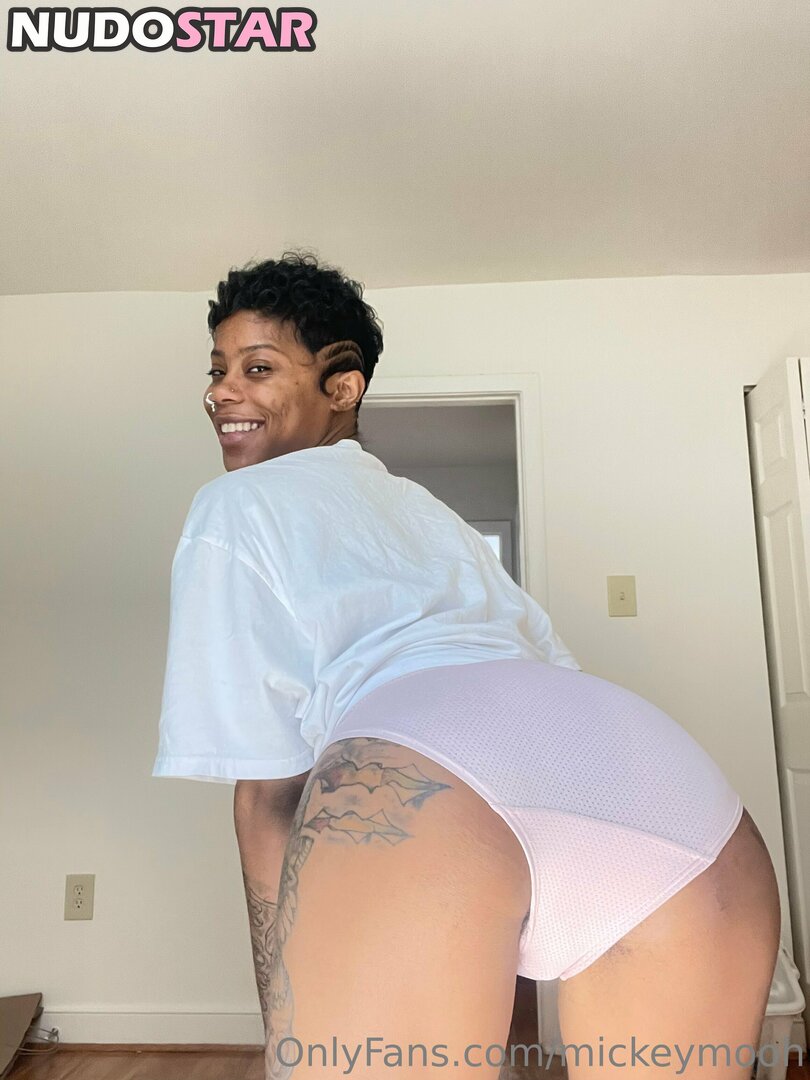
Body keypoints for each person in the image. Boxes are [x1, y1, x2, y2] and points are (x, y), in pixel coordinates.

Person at [152, 251, 781, 1079]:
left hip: (422, 768)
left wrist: (288, 1026)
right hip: (660, 784)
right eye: (218, 370)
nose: (221, 392)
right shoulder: (427, 514)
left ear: (343, 387)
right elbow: (528, 704)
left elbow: (267, 798)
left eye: (258, 368)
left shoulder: (235, 504)